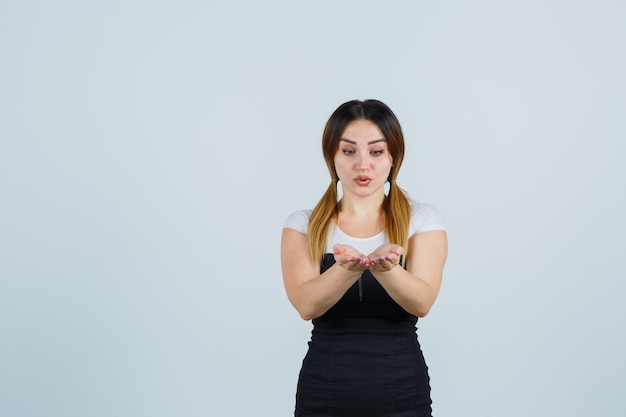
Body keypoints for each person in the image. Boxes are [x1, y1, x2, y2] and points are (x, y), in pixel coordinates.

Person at [281, 99, 448, 417]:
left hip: (402, 392)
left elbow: (422, 302)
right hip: (323, 394)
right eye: (348, 151)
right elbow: (306, 305)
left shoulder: (422, 220)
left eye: (375, 151)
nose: (362, 165)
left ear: (393, 157)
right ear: (331, 156)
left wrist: (386, 270)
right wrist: (345, 269)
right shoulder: (302, 224)